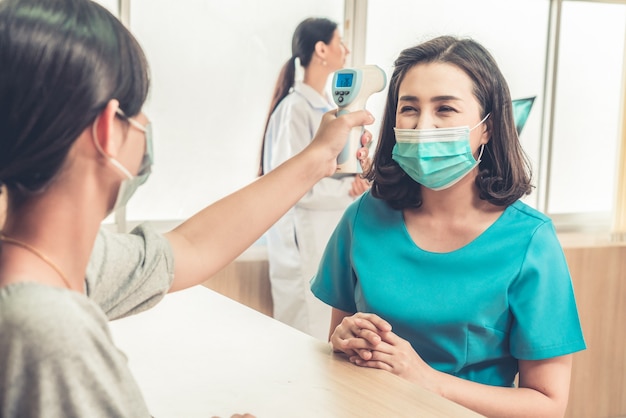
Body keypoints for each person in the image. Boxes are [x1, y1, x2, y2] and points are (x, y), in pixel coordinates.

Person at [0, 1, 374, 417]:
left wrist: (318, 157)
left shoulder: (54, 264)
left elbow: (188, 247)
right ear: (108, 129)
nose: (145, 129)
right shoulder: (48, 333)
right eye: (140, 115)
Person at [310, 35, 586, 417]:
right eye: (409, 108)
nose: (423, 126)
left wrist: (426, 380)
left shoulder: (529, 241)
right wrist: (342, 342)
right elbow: (337, 346)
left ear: (487, 127)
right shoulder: (363, 218)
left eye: (445, 109)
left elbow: (548, 404)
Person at [259, 17, 370, 340]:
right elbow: (291, 183)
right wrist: (348, 191)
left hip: (324, 233)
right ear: (321, 49)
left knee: (322, 333)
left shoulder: (325, 108)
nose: (346, 50)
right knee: (303, 332)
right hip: (301, 238)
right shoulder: (295, 108)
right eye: (340, 42)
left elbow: (332, 169)